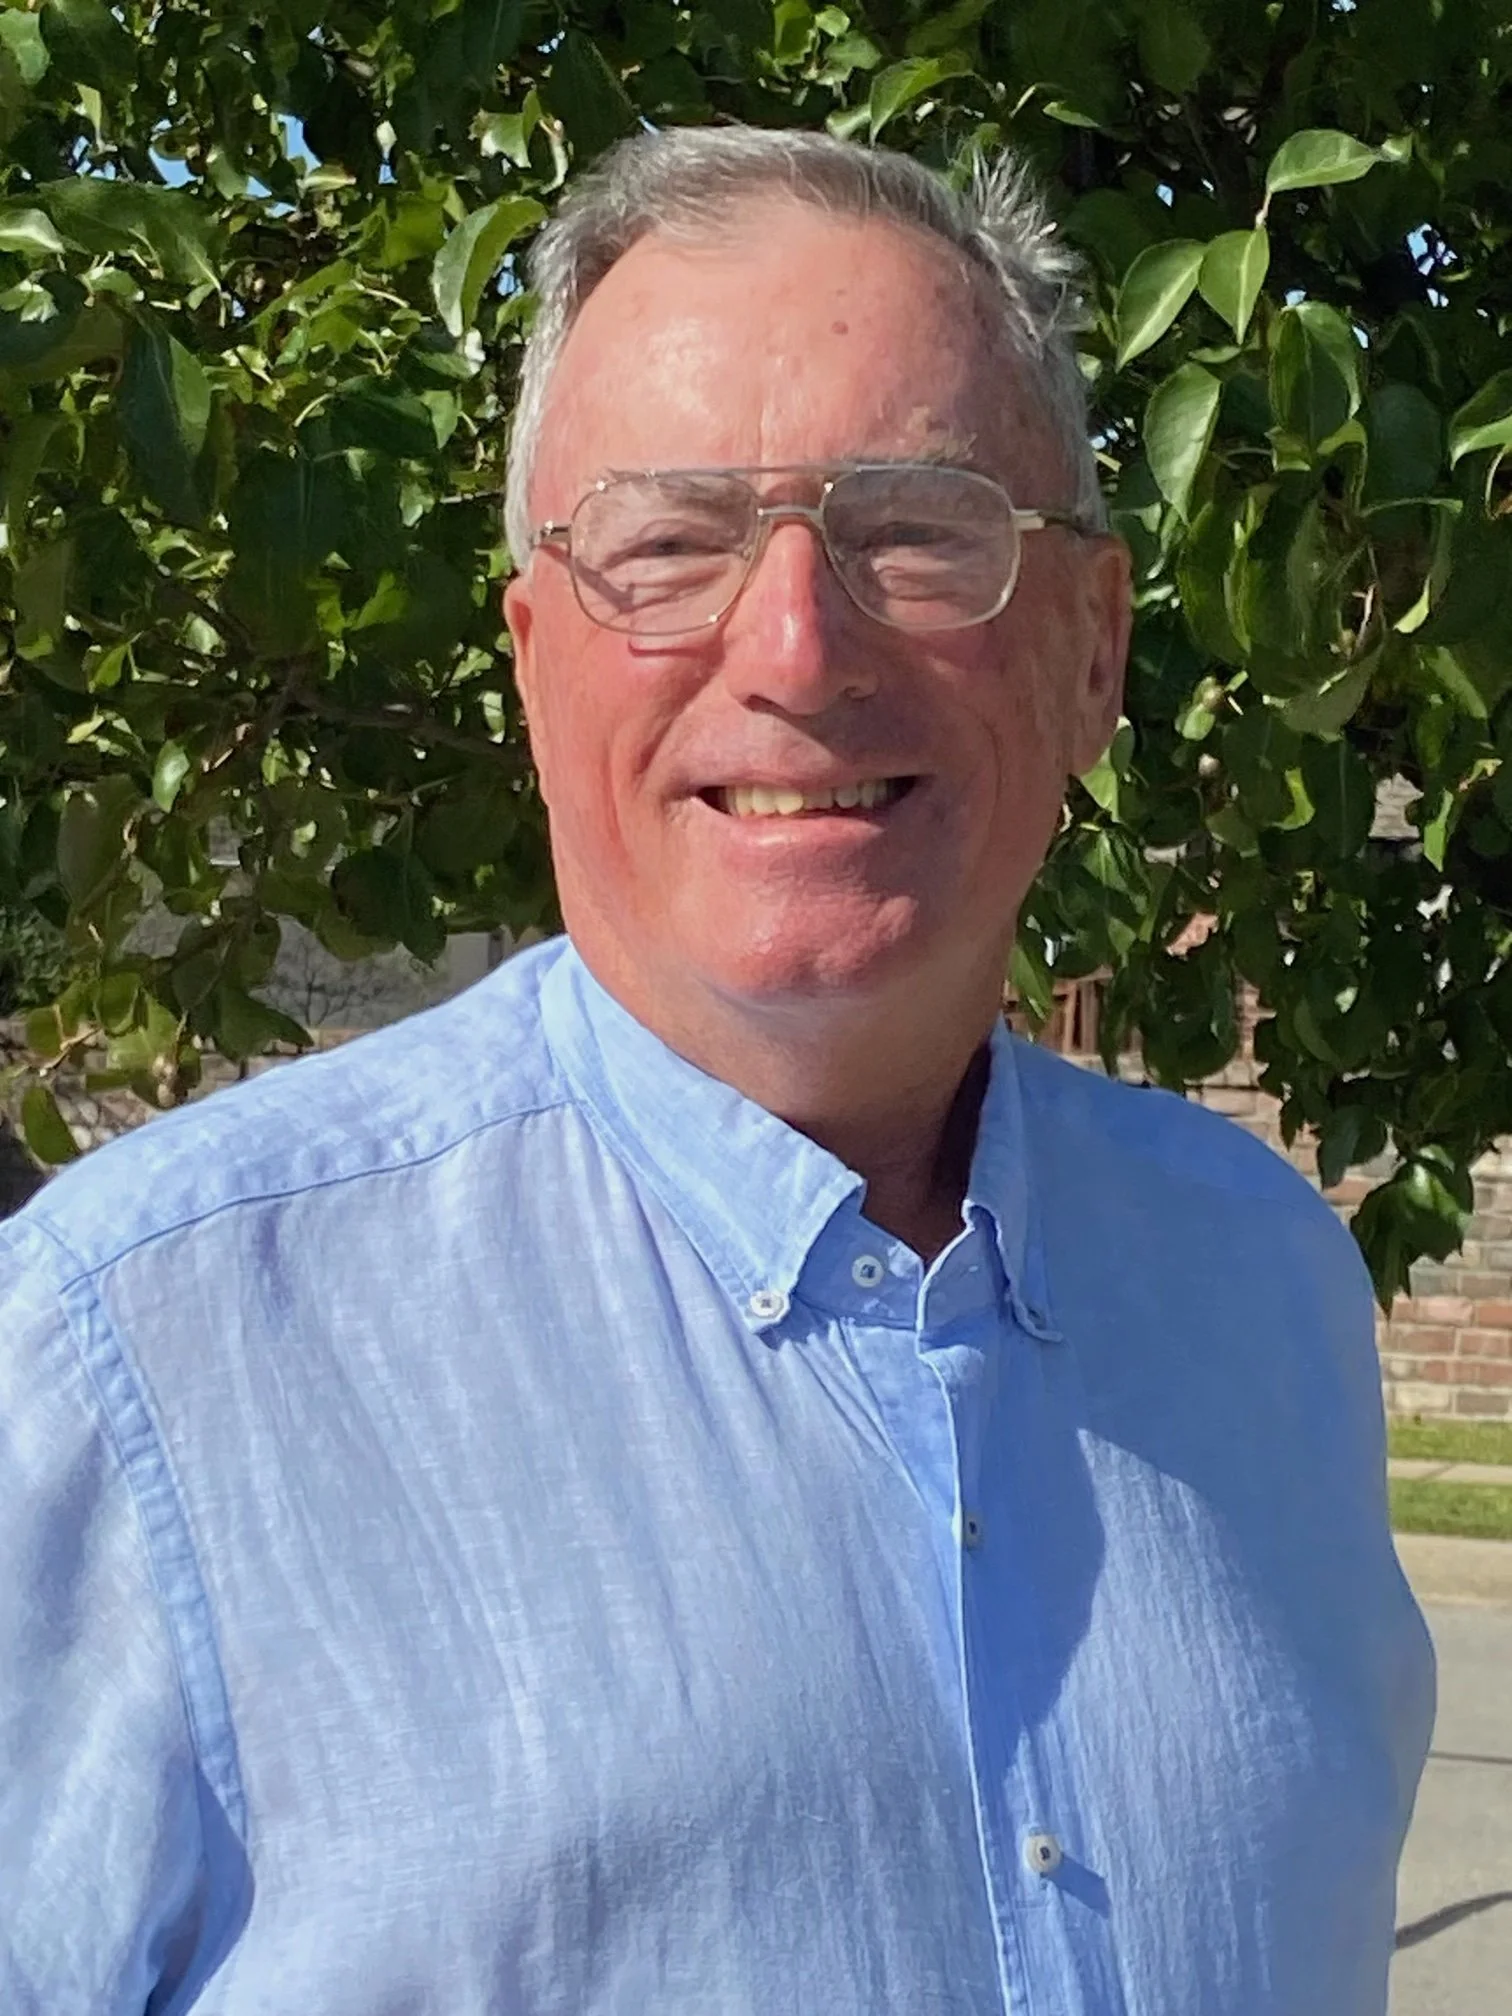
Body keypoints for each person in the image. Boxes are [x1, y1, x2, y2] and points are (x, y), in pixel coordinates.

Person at [1, 126, 1433, 2015]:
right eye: (668, 543)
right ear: (534, 667)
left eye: (917, 526)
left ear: (1094, 649)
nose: (795, 648)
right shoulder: (129, 1361)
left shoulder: (1263, 1290)